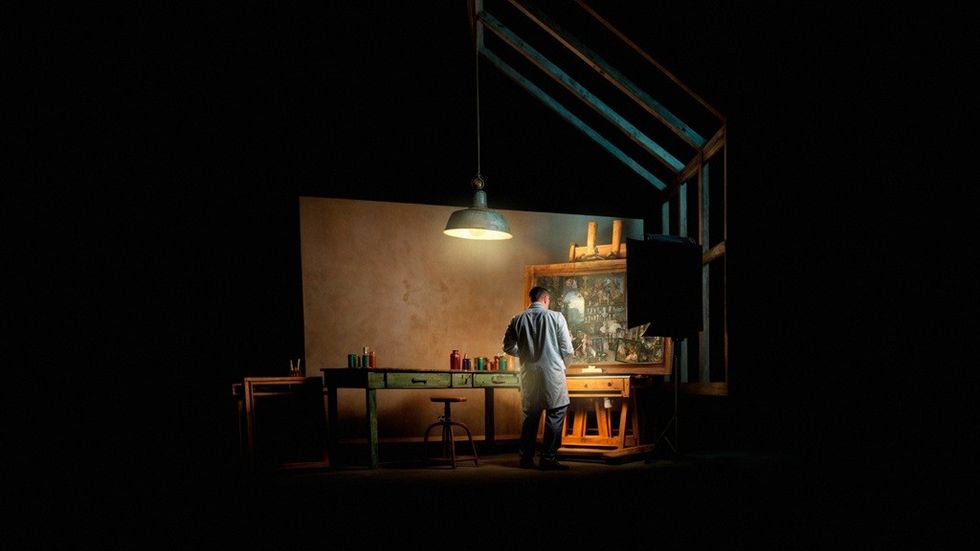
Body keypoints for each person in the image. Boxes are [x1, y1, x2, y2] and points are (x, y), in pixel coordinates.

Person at [502, 286, 575, 470]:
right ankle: (548, 458)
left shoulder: (516, 319)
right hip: (552, 373)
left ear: (531, 299)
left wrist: (526, 354)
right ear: (546, 299)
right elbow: (567, 350)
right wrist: (561, 366)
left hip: (529, 375)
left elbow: (508, 347)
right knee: (556, 412)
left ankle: (526, 458)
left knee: (531, 416)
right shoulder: (556, 317)